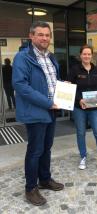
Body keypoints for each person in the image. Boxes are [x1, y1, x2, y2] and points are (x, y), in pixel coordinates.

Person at [12, 21, 64, 206]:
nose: (44, 38)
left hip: (51, 110)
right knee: (35, 150)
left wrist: (64, 91)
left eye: (47, 35)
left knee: (47, 147)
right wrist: (48, 102)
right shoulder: (22, 57)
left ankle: (44, 179)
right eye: (40, 34)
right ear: (31, 36)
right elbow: (20, 86)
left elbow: (53, 81)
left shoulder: (51, 57)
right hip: (36, 111)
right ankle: (30, 188)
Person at [68, 45, 97, 173]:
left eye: (89, 54)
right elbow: (69, 88)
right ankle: (83, 157)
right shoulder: (74, 70)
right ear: (80, 55)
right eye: (84, 54)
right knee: (81, 133)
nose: (87, 56)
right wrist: (78, 100)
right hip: (79, 108)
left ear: (92, 55)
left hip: (93, 108)